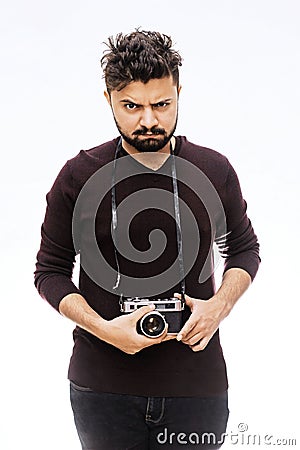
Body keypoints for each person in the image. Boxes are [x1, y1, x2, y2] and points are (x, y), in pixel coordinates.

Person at [34, 30, 260, 449]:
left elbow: (244, 249)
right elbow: (49, 271)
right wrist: (102, 327)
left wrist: (218, 307)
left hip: (198, 385)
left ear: (179, 92)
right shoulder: (78, 176)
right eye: (131, 106)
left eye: (162, 104)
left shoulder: (214, 170)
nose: (149, 120)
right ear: (108, 100)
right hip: (101, 386)